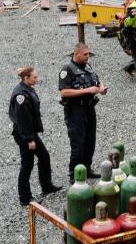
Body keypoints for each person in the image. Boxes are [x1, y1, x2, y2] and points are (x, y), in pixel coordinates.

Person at [10, 66, 62, 205]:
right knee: (27, 164)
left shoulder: (27, 88)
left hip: (29, 132)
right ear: (26, 78)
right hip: (25, 135)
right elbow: (23, 120)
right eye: (34, 77)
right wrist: (29, 140)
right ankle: (25, 197)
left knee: (44, 157)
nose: (37, 79)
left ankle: (46, 185)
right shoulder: (21, 95)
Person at [59, 43, 107, 182]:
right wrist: (86, 91)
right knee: (78, 143)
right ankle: (74, 174)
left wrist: (101, 88)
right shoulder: (67, 70)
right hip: (75, 111)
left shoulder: (88, 66)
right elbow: (64, 92)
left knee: (90, 140)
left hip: (89, 108)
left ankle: (87, 168)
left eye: (88, 54)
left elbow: (97, 81)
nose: (88, 57)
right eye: (85, 55)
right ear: (76, 54)